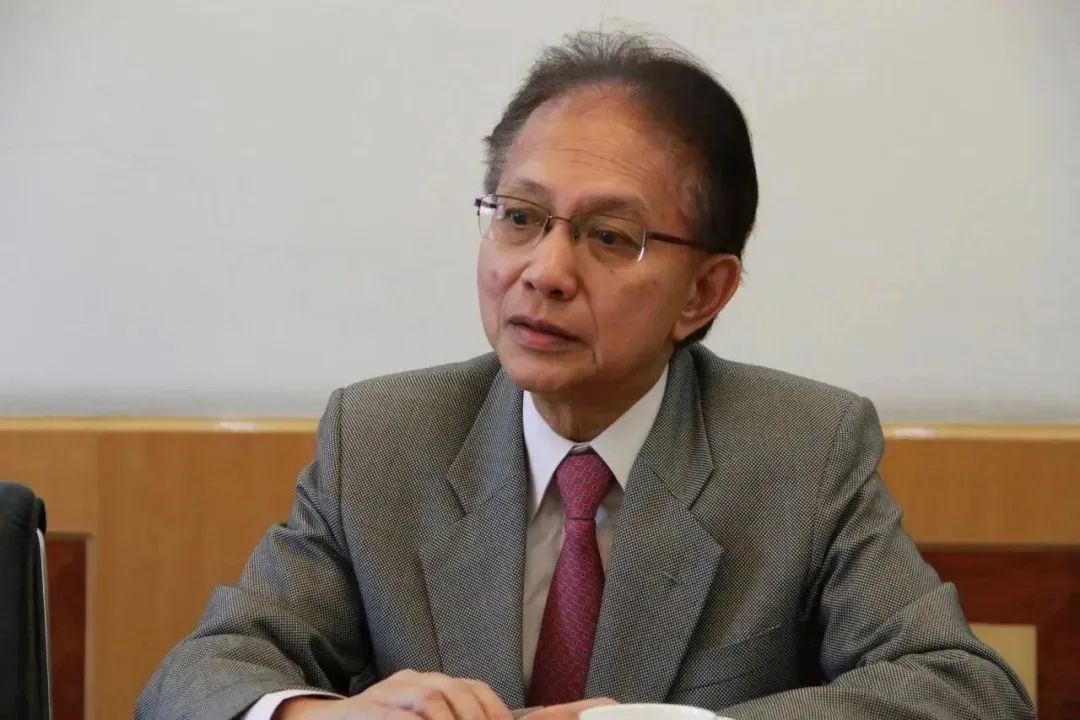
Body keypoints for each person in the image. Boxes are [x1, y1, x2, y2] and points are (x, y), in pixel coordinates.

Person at [137, 31, 1034, 720]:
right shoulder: (383, 439)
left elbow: (967, 691)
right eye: (520, 217)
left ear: (704, 291)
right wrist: (321, 716)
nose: (546, 272)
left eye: (609, 236)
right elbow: (198, 675)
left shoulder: (801, 452)